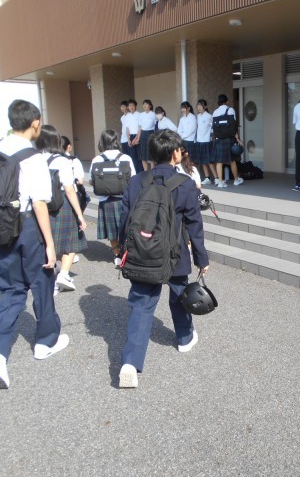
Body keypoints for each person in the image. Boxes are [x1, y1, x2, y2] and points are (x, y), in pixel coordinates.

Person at [0, 100, 68, 389]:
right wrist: (50, 244)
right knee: (42, 282)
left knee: (12, 289)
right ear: (35, 123)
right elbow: (40, 203)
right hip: (27, 226)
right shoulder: (32, 156)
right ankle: (45, 342)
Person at [117, 129, 209, 388]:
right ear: (175, 153)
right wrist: (201, 258)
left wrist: (122, 250)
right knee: (180, 295)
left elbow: (125, 219)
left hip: (142, 252)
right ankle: (184, 338)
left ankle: (130, 363)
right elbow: (194, 225)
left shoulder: (137, 181)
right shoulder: (185, 184)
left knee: (142, 304)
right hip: (174, 252)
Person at [37, 125, 87, 294]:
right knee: (71, 240)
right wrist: (79, 214)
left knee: (46, 241)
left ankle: (50, 278)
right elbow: (70, 190)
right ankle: (64, 274)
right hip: (62, 204)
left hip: (41, 204)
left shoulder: (34, 159)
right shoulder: (62, 161)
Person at [89, 129, 136, 268]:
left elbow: (92, 181)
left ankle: (117, 256)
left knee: (112, 231)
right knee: (126, 228)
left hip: (106, 200)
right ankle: (127, 253)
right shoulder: (125, 158)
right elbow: (133, 178)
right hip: (124, 199)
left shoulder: (97, 159)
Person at [61, 135, 86, 264]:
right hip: (70, 194)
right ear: (69, 146)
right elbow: (80, 181)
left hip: (53, 197)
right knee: (72, 227)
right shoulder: (73, 160)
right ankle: (69, 254)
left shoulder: (48, 159)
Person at [210, 94, 243, 188]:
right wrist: (238, 138)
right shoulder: (230, 110)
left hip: (219, 139)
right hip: (230, 138)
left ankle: (220, 182)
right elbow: (234, 126)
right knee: (232, 160)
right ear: (227, 101)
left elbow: (213, 128)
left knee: (219, 161)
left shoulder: (215, 112)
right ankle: (236, 180)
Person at [195, 99, 216, 185]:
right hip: (199, 141)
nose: (199, 107)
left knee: (209, 161)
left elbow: (214, 127)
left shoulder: (209, 116)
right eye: (198, 105)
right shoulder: (198, 116)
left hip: (207, 141)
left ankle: (216, 178)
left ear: (205, 106)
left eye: (201, 105)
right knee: (202, 161)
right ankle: (207, 177)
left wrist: (210, 134)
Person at [137, 99, 157, 172]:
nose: (144, 105)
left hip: (150, 134)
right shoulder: (141, 115)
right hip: (143, 134)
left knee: (150, 155)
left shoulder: (153, 114)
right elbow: (140, 127)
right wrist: (138, 138)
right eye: (144, 104)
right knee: (143, 156)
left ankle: (152, 172)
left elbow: (156, 126)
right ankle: (145, 172)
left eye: (146, 104)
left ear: (150, 106)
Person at [177, 101, 197, 166]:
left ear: (189, 108)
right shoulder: (182, 119)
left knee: (190, 160)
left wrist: (182, 136)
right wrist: (180, 136)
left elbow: (191, 130)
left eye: (184, 108)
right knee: (184, 159)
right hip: (183, 141)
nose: (183, 109)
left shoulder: (193, 117)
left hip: (190, 141)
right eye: (182, 108)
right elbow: (179, 129)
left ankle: (193, 171)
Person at [125, 99, 141, 174]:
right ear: (128, 107)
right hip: (131, 137)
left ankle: (140, 173)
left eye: (133, 105)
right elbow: (127, 128)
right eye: (130, 106)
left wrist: (136, 138)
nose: (131, 107)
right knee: (132, 156)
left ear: (135, 106)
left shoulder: (139, 115)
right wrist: (128, 139)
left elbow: (140, 127)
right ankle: (135, 173)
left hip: (138, 136)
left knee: (139, 157)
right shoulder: (127, 116)